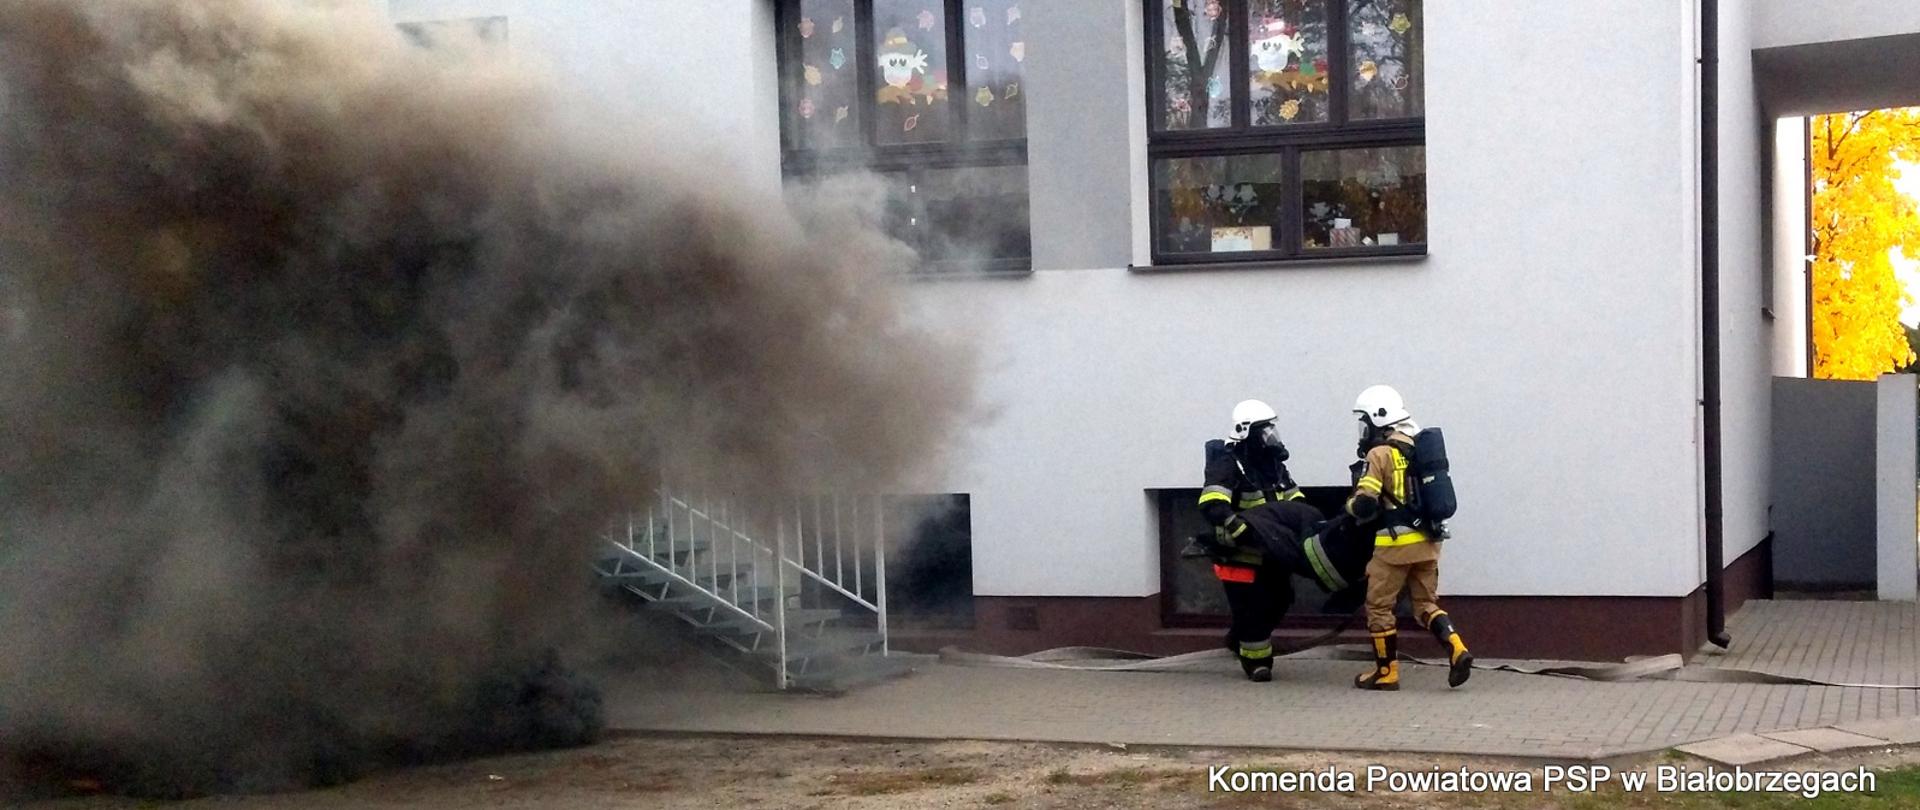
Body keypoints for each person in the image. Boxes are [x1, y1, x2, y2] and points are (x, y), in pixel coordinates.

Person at [1345, 385, 1472, 691]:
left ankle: (1386, 673)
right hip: (1428, 545)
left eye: (1365, 422)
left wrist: (1349, 505)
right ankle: (1457, 649)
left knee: (1378, 607)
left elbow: (1365, 503)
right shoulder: (1419, 449)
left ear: (1378, 418)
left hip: (1393, 548)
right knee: (1425, 605)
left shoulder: (1380, 454)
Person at [1195, 399, 1307, 682]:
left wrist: (1305, 520)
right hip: (1241, 554)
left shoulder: (1274, 466)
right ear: (1247, 431)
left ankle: (1238, 639)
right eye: (1265, 430)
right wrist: (1238, 526)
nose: (1271, 435)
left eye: (1272, 428)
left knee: (1282, 599)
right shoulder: (1228, 464)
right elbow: (1213, 503)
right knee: (1252, 610)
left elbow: (1294, 499)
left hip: (1273, 552)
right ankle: (1257, 663)